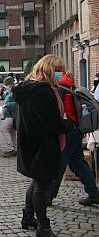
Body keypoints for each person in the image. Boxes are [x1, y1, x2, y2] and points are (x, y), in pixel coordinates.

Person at [12, 54, 66, 237]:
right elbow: (52, 123)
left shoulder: (28, 88)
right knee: (42, 185)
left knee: (37, 181)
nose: (61, 74)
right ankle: (43, 227)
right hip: (42, 145)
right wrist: (70, 125)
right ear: (49, 70)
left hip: (31, 143)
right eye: (58, 71)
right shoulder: (42, 91)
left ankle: (28, 216)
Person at [47, 72, 99, 207]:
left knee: (59, 164)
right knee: (79, 163)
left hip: (68, 132)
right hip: (76, 130)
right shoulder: (70, 87)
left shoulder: (59, 90)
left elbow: (61, 114)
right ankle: (94, 193)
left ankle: (48, 196)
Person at [1, 81, 17, 158]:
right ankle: (15, 147)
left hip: (10, 115)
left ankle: (11, 148)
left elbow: (16, 104)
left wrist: (7, 105)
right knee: (12, 131)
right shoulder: (9, 93)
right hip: (9, 115)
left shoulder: (13, 93)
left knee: (4, 129)